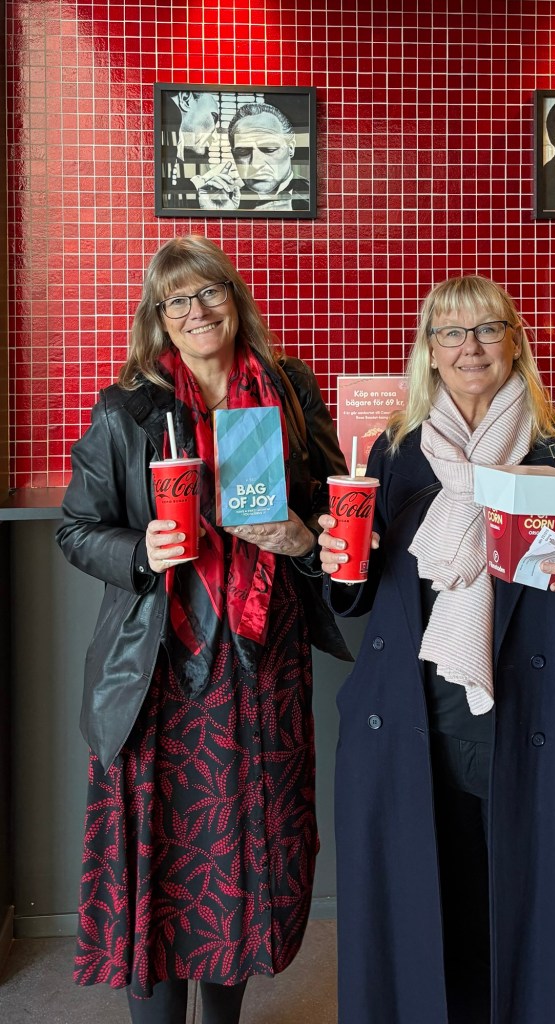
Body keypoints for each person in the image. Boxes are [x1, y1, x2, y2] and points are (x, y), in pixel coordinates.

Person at [318, 275, 555, 1024]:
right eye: (451, 332)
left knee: (525, 928)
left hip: (529, 724)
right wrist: (330, 558)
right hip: (410, 726)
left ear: (516, 342)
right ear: (430, 351)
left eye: (487, 329)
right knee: (426, 922)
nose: (470, 347)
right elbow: (356, 595)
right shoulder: (395, 454)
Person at [57, 234, 350, 1023]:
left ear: (234, 297)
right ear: (158, 319)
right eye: (176, 300)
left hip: (262, 663)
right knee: (160, 865)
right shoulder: (127, 408)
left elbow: (335, 502)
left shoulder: (289, 391)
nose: (196, 310)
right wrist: (140, 551)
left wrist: (304, 537)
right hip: (159, 669)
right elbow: (77, 529)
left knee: (249, 857)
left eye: (208, 291)